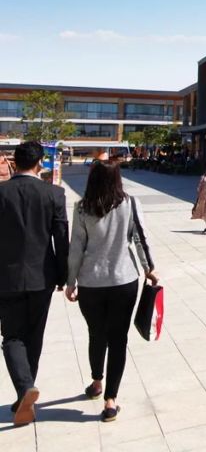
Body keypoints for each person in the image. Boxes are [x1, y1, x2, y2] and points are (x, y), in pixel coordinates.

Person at [65, 159, 157, 423]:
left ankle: (96, 383)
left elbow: (76, 248)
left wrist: (71, 281)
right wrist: (149, 267)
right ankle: (110, 401)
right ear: (118, 179)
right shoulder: (129, 204)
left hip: (91, 283)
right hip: (124, 279)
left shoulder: (81, 208)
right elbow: (140, 237)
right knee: (118, 339)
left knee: (96, 334)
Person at [0, 141, 69, 427]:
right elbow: (61, 239)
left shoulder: (1, 193)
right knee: (34, 337)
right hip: (43, 278)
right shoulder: (54, 193)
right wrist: (64, 275)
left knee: (12, 337)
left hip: (7, 277)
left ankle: (25, 390)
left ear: (14, 163)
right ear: (40, 163)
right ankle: (24, 393)